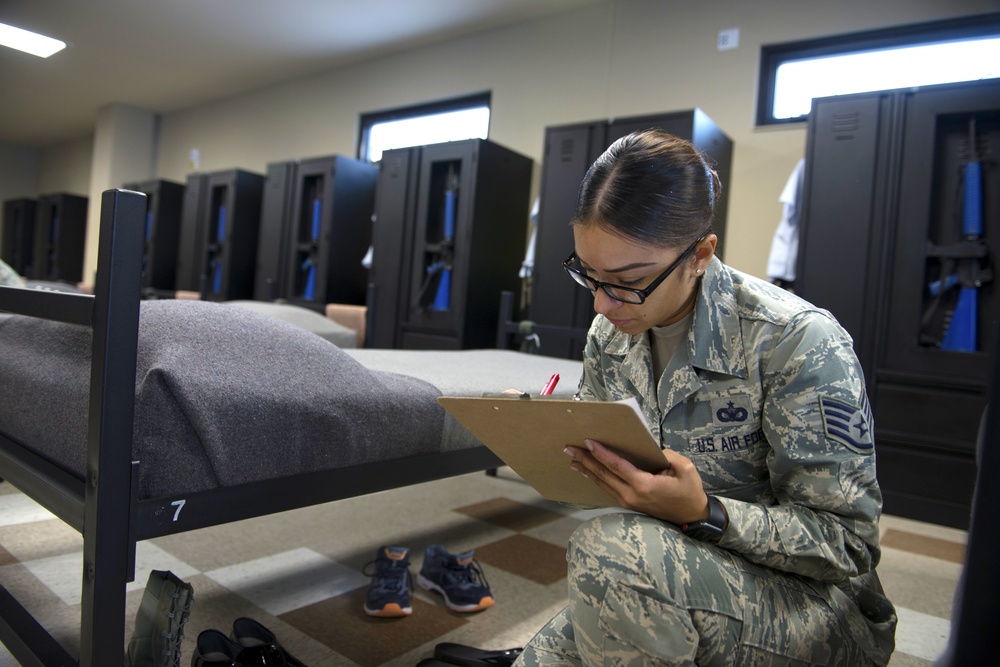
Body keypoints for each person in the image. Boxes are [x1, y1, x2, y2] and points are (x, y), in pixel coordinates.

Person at [513, 129, 897, 666]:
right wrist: (547, 440)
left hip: (811, 606)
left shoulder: (796, 340)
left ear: (700, 253)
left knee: (610, 553)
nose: (602, 304)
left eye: (629, 280)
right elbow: (597, 492)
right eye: (589, 275)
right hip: (662, 566)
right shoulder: (611, 335)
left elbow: (845, 542)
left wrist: (706, 512)